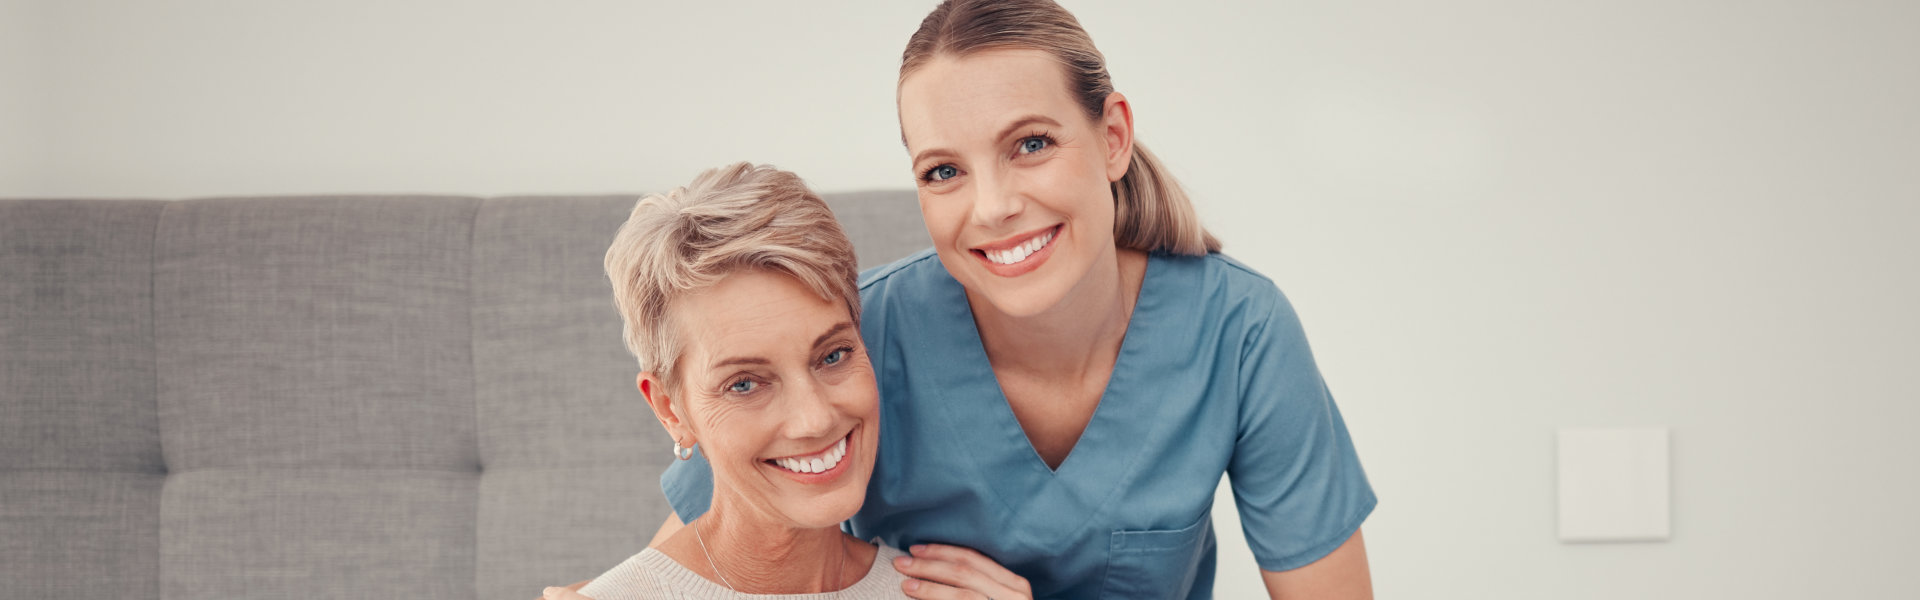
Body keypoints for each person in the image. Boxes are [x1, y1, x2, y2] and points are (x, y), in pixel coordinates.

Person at [562, 1, 1376, 597]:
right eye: (944, 171)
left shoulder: (1239, 334)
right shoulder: (853, 344)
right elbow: (714, 543)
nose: (992, 208)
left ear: (1113, 136)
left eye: (1031, 145)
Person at [560, 162, 921, 599]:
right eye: (745, 384)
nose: (814, 419)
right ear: (671, 410)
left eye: (832, 356)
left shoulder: (936, 589)